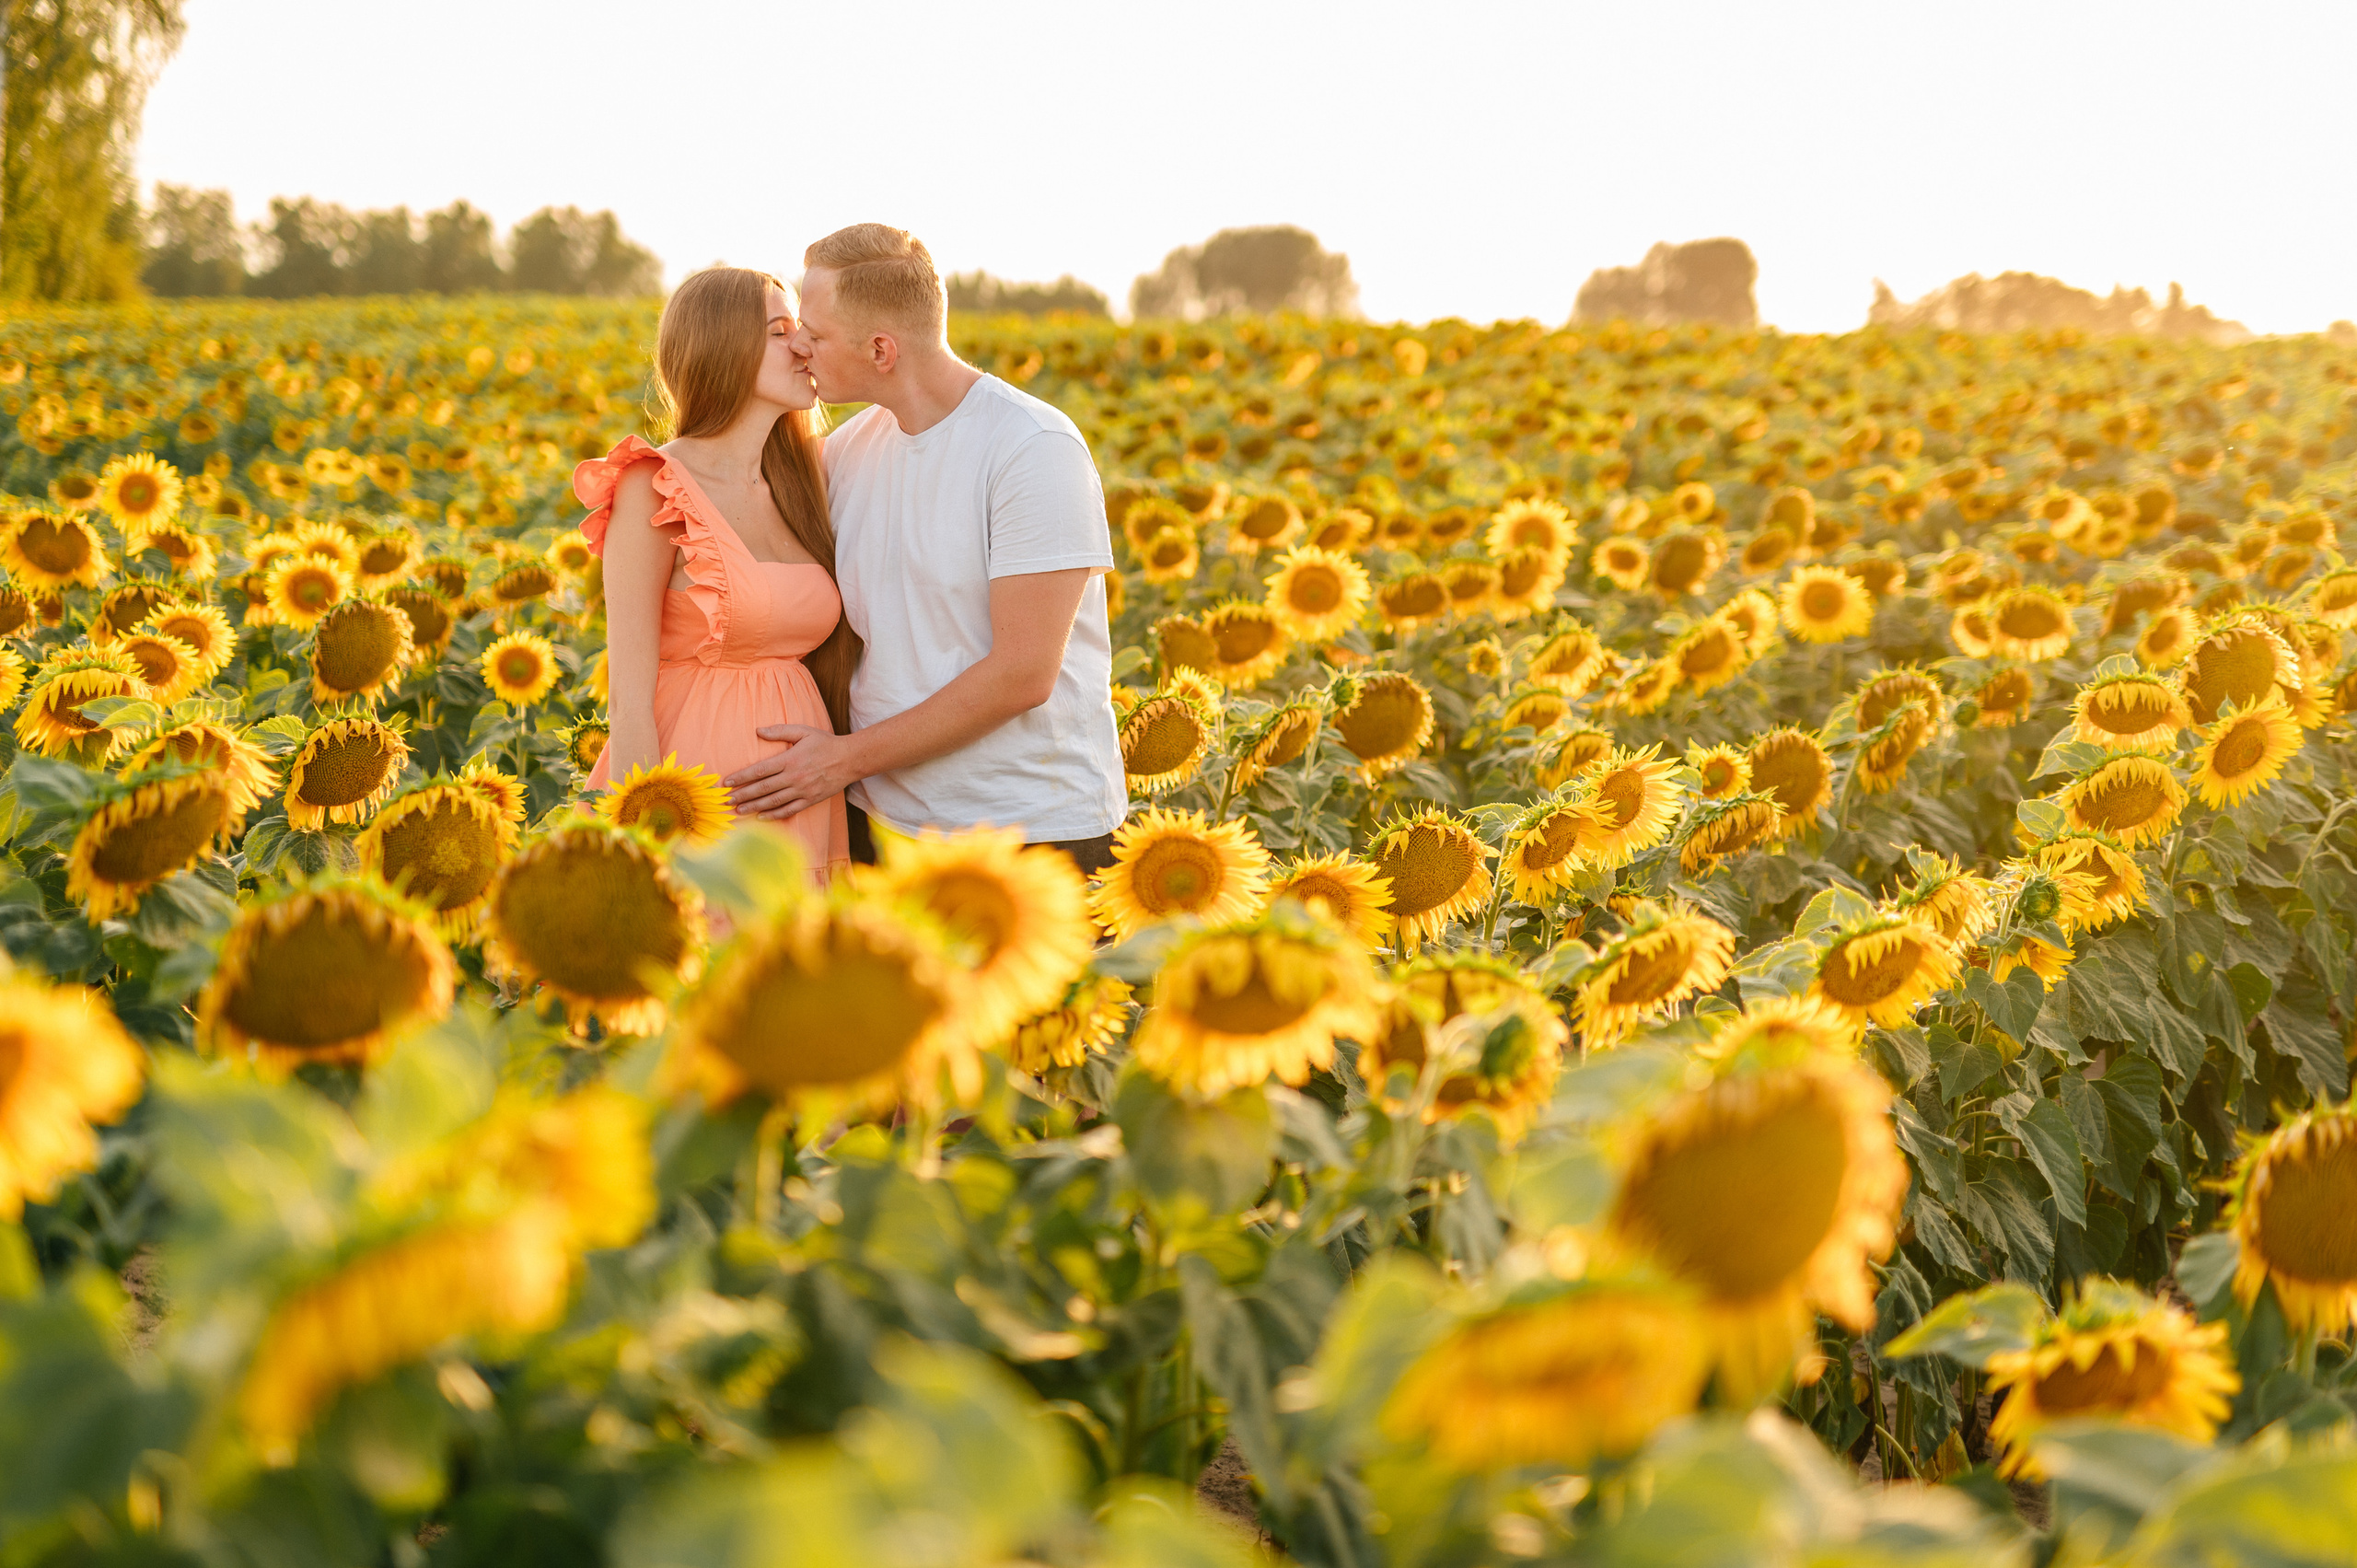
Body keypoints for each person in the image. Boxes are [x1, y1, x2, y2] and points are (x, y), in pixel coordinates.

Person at [721, 224, 1123, 871]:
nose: (798, 345)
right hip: (883, 823)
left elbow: (1023, 673)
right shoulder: (848, 454)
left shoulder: (1032, 448)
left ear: (881, 349)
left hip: (1029, 835)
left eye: (815, 334)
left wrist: (841, 759)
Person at [576, 265, 854, 877]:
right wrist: (653, 842)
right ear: (724, 345)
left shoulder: (804, 481)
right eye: (780, 331)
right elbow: (627, 698)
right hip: (697, 785)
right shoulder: (654, 484)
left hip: (800, 790)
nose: (802, 345)